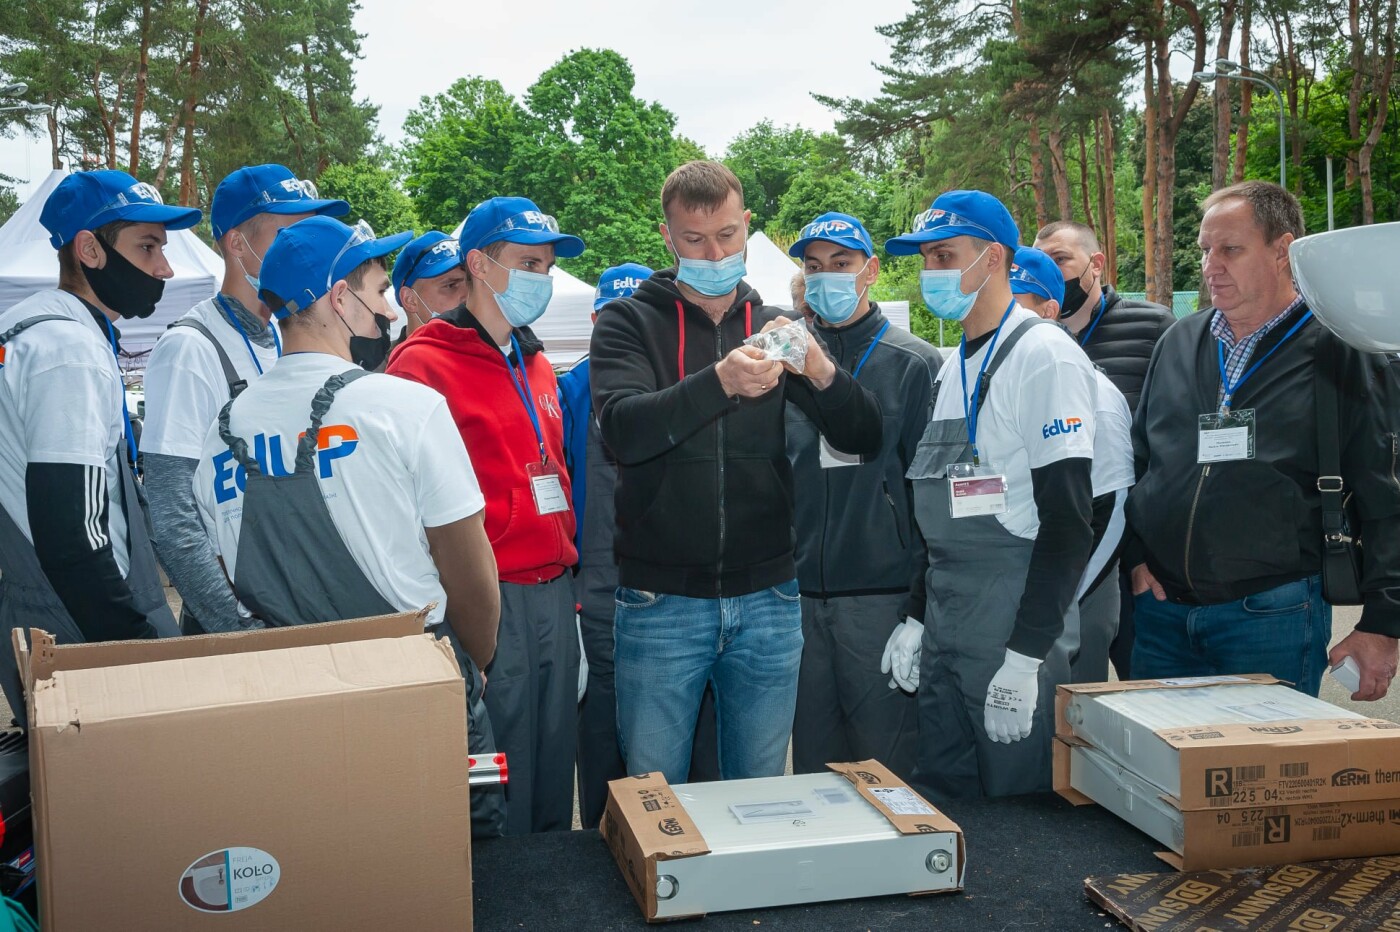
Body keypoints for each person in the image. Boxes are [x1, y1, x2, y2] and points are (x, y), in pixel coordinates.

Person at [193, 215, 506, 834]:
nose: (389, 311)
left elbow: (230, 578)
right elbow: (472, 575)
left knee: (332, 869)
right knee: (456, 871)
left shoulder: (220, 433)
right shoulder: (406, 408)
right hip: (416, 687)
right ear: (342, 298)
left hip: (290, 702)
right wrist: (470, 666)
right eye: (381, 291)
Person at [589, 160, 883, 785]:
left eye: (726, 235)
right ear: (668, 236)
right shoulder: (628, 321)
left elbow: (862, 434)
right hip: (660, 599)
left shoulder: (778, 326)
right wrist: (719, 382)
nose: (713, 251)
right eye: (694, 240)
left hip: (768, 598)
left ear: (747, 225)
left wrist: (822, 370)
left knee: (760, 795)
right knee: (655, 795)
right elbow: (623, 430)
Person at [1126, 181, 1400, 701]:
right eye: (1206, 250)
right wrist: (1136, 557)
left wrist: (1384, 624)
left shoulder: (1341, 346)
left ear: (1282, 252)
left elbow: (1386, 493)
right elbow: (1141, 460)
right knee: (1157, 777)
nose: (1211, 265)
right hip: (1161, 613)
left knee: (1256, 779)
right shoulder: (1179, 340)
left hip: (1271, 614)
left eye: (1230, 249)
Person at [887, 190, 1096, 800]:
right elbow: (939, 508)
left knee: (1019, 813)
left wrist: (1027, 657)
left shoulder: (1043, 356)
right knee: (945, 799)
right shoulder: (953, 366)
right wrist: (917, 614)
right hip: (950, 616)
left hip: (1011, 618)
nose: (933, 273)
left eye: (945, 255)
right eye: (926, 259)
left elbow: (1068, 522)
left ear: (996, 258)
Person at [387, 197, 582, 835]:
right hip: (488, 595)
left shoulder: (537, 360)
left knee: (554, 766)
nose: (542, 280)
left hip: (555, 592)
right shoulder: (422, 363)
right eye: (528, 263)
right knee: (495, 773)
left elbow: (554, 470)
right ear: (478, 265)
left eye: (548, 266)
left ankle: (553, 901)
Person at [0, 170, 190, 725]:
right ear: (90, 249)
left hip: (41, 604)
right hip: (77, 623)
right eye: (148, 246)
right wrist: (136, 648)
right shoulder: (68, 351)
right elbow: (73, 538)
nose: (165, 268)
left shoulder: (28, 330)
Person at [142, 164, 349, 634]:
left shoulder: (288, 335)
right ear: (237, 244)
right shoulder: (190, 347)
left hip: (302, 610)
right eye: (288, 232)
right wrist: (237, 629)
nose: (302, 245)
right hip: (237, 626)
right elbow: (174, 518)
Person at [783, 212, 938, 780]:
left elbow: (930, 499)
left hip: (880, 599)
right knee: (815, 773)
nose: (827, 277)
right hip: (799, 601)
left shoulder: (915, 362)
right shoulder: (786, 361)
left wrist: (918, 610)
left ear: (869, 271)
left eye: (841, 265)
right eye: (814, 266)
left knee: (887, 773)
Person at [1033, 220, 1174, 679]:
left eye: (1060, 259)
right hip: (1061, 546)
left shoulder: (1153, 327)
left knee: (1142, 696)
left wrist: (1141, 553)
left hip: (1133, 557)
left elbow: (1168, 447)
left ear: (1096, 264)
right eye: (1040, 262)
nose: (1050, 272)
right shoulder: (1030, 340)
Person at [1010, 245, 1135, 683]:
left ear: (1048, 311)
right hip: (1027, 585)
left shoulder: (1089, 388)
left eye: (1017, 306)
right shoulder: (994, 379)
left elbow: (1114, 504)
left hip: (1080, 585)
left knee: (1075, 723)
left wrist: (1067, 595)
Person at [391, 231, 467, 348]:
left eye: (470, 282)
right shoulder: (384, 365)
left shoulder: (490, 356)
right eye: (451, 285)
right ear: (409, 299)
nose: (468, 295)